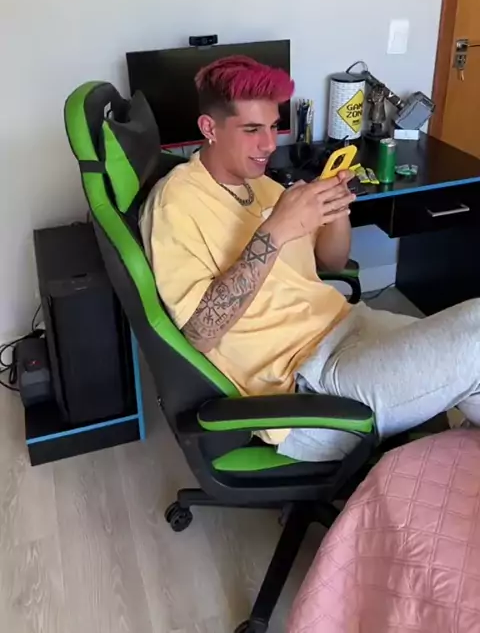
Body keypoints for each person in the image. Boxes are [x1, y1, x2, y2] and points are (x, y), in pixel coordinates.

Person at [140, 55, 480, 461]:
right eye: (252, 130)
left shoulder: (263, 186)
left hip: (349, 327)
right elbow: (200, 333)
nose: (269, 144)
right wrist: (275, 230)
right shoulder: (176, 205)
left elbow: (332, 263)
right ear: (209, 128)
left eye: (272, 127)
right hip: (307, 387)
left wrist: (336, 210)